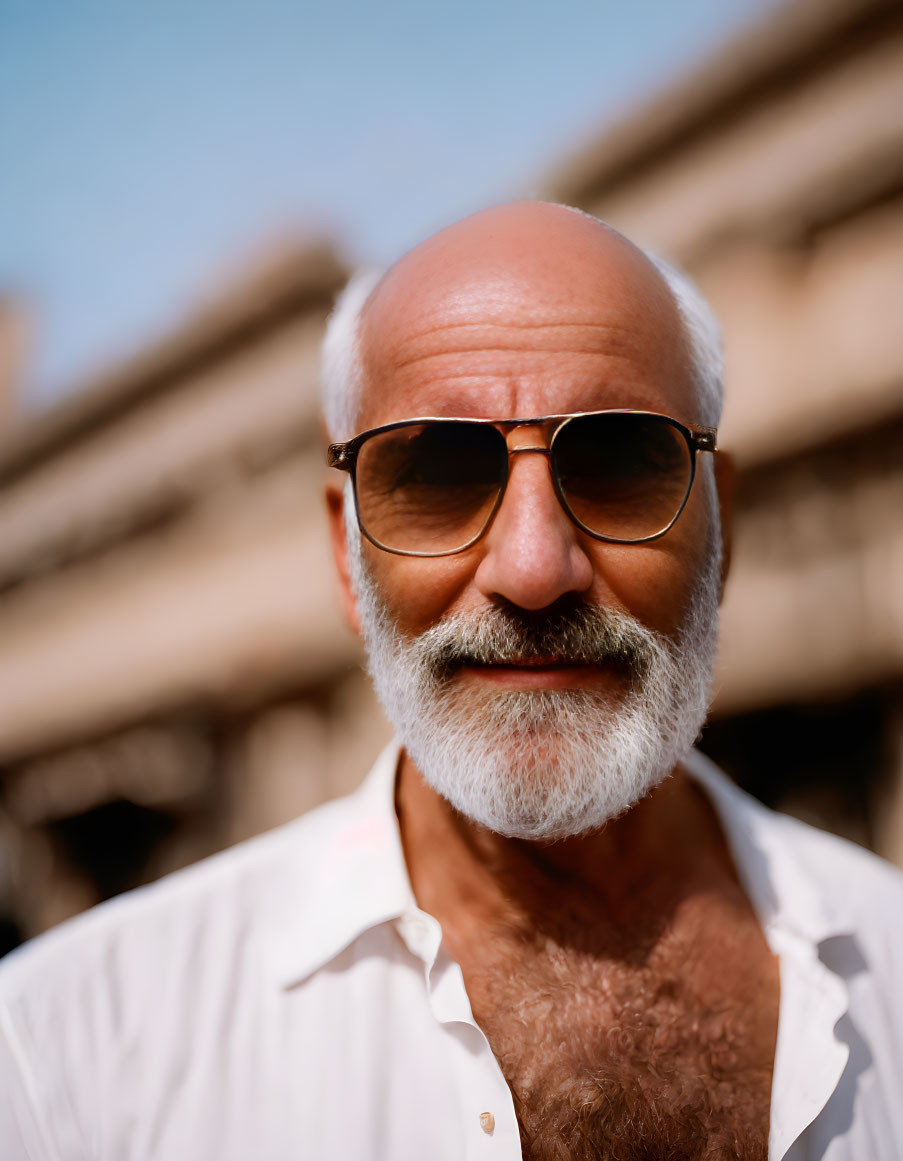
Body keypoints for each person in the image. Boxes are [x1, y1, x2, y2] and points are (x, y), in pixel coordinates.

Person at [0, 204, 900, 1161]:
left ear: (721, 534)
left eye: (616, 460)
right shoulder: (67, 1056)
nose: (531, 567)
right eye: (434, 472)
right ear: (347, 559)